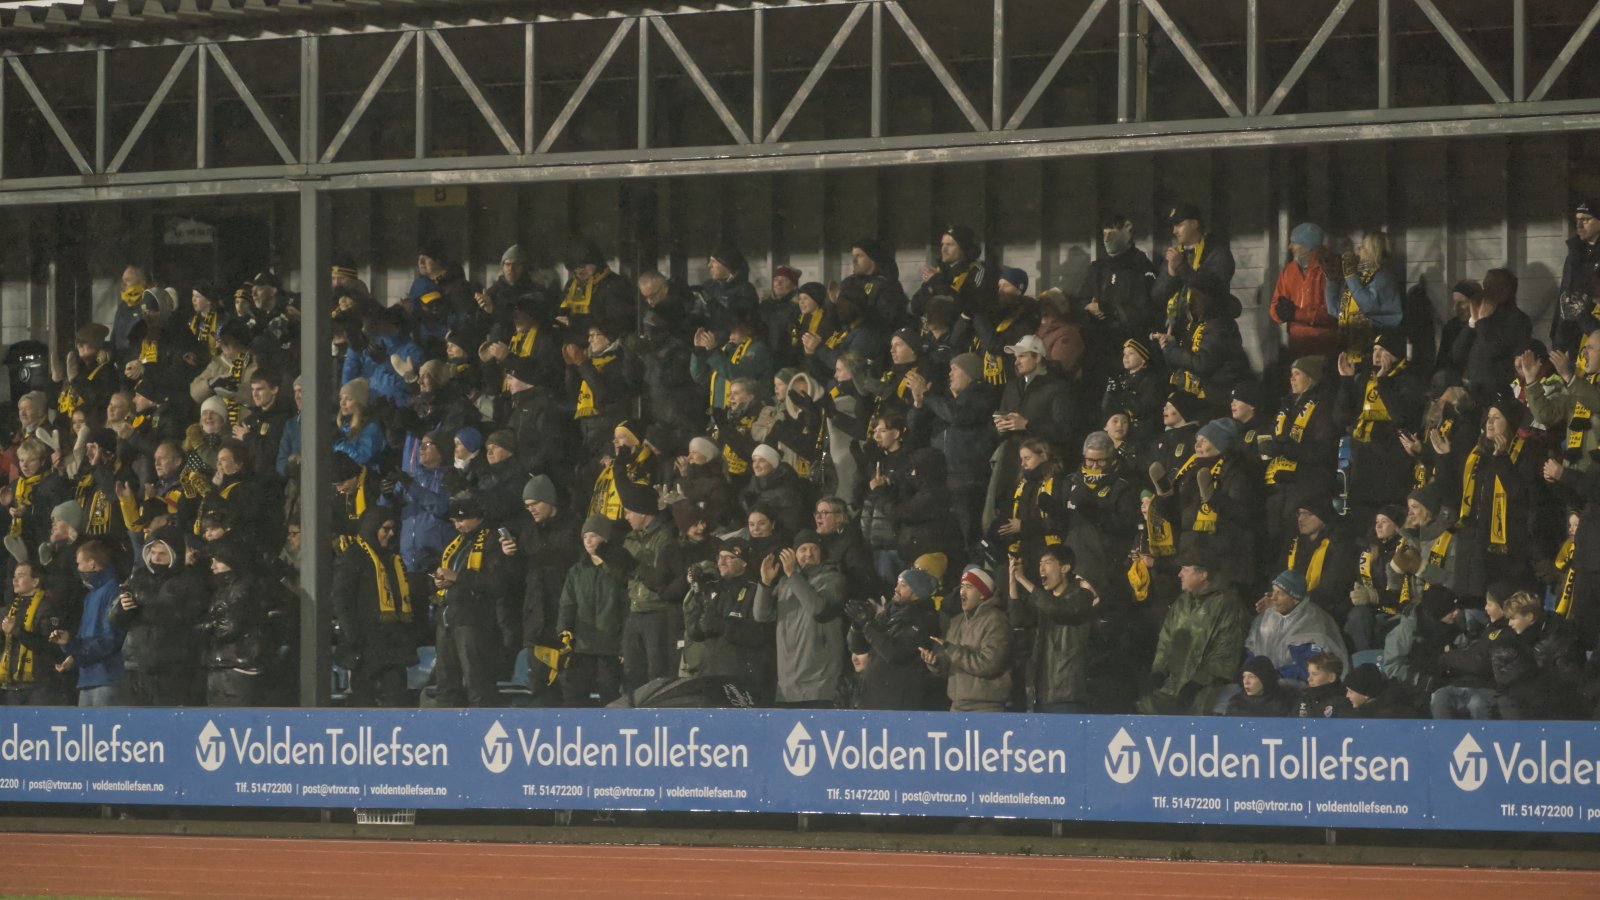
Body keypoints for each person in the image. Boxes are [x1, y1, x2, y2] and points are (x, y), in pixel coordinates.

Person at [1138, 546, 1248, 715]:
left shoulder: (1227, 605)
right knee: (1146, 706)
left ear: (1203, 575)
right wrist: (1158, 672)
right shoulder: (1181, 603)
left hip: (1207, 688)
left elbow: (1226, 652)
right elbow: (1165, 642)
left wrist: (1198, 683)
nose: (1179, 574)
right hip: (1172, 687)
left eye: (1185, 569)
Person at [110, 525, 204, 706]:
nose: (155, 558)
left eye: (162, 554)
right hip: (135, 666)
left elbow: (189, 619)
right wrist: (123, 608)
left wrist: (149, 609)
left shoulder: (189, 581)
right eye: (152, 552)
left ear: (175, 554)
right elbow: (114, 619)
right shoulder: (137, 577)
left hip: (172, 669)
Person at [331, 510, 417, 707]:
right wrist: (354, 638)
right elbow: (342, 601)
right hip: (365, 647)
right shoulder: (353, 557)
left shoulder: (392, 558)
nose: (391, 534)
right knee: (364, 702)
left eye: (393, 529)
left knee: (397, 699)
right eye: (385, 529)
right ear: (372, 528)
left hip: (392, 645)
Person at [431, 495, 510, 707]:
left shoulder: (492, 540)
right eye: (454, 521)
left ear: (477, 517)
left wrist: (458, 577)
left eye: (462, 520)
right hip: (447, 619)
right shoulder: (458, 543)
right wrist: (440, 581)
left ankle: (481, 725)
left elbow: (496, 583)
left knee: (478, 684)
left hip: (474, 622)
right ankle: (446, 725)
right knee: (445, 685)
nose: (457, 525)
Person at [753, 531, 846, 708]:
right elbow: (761, 615)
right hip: (788, 685)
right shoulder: (785, 582)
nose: (809, 554)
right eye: (803, 549)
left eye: (814, 549)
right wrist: (765, 583)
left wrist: (792, 574)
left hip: (820, 683)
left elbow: (817, 608)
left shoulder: (833, 579)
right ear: (795, 554)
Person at [1010, 546, 1096, 713]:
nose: (1041, 568)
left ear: (1065, 568)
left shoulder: (1081, 596)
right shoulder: (1043, 601)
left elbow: (1058, 609)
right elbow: (1017, 619)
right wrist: (1013, 580)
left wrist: (1023, 580)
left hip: (1069, 695)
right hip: (1042, 694)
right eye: (1040, 564)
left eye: (1048, 563)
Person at [845, 567, 942, 710]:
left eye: (903, 585)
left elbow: (894, 653)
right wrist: (857, 625)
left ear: (916, 593)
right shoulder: (889, 613)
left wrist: (867, 624)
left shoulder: (924, 620)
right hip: (873, 696)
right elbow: (858, 648)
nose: (896, 589)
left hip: (898, 701)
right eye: (897, 583)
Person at [556, 515, 627, 706]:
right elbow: (567, 603)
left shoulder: (617, 569)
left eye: (593, 535)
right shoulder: (576, 571)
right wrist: (564, 630)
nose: (588, 540)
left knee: (609, 694)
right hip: (582, 646)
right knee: (575, 694)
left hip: (609, 648)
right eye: (585, 536)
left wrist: (624, 644)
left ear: (605, 538)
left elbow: (625, 607)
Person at [920, 566, 1009, 712]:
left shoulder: (996, 620)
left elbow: (989, 664)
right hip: (957, 708)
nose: (962, 591)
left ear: (982, 593)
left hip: (986, 710)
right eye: (962, 586)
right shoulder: (957, 621)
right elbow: (950, 663)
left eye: (969, 587)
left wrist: (952, 650)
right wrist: (936, 663)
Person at [48, 539, 123, 706]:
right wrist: (71, 649)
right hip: (87, 678)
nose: (78, 569)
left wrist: (76, 649)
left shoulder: (113, 590)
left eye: (79, 563)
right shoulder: (90, 596)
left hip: (106, 677)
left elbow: (110, 639)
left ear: (92, 563)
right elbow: (85, 637)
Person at [198, 536, 268, 706]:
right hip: (224, 665)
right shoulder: (226, 588)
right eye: (212, 561)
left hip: (236, 667)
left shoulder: (242, 589)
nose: (213, 566)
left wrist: (203, 627)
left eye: (218, 561)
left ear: (232, 560)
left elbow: (229, 626)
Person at [1246, 569, 1349, 684]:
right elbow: (1251, 652)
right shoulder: (1266, 617)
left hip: (1301, 687)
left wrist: (1275, 675)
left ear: (1295, 599)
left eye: (1280, 593)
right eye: (1273, 591)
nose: (1273, 597)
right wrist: (1252, 673)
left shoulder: (1313, 621)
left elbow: (1311, 669)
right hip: (1265, 682)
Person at [1324, 232, 1403, 361]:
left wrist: (1350, 276)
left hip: (1376, 344)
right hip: (1352, 344)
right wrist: (1331, 279)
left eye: (1364, 246)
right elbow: (1336, 311)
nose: (1359, 249)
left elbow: (1368, 306)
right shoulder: (1360, 277)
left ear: (1374, 251)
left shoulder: (1383, 277)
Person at [1270, 222, 1338, 359]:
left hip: (1322, 344)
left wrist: (1296, 314)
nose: (1290, 247)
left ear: (1307, 246)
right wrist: (1279, 312)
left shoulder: (1328, 270)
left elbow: (1333, 313)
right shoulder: (1289, 271)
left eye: (1294, 243)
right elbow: (1275, 303)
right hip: (1296, 345)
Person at [1223, 655, 1293, 717]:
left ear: (1265, 679)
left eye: (1252, 677)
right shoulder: (1236, 704)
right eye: (1244, 676)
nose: (1246, 682)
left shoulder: (1288, 701)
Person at [1296, 651, 1351, 718]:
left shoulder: (1345, 700)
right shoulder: (1303, 696)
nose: (1309, 679)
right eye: (1309, 674)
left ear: (1331, 677)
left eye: (1315, 674)